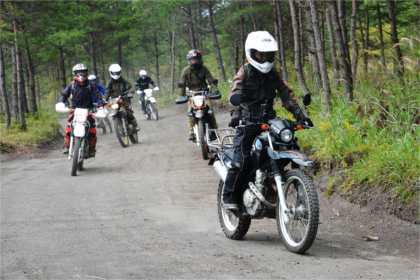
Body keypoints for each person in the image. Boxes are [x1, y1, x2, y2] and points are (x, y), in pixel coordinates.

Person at [222, 31, 314, 211]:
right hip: (247, 121)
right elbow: (235, 94)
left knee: (287, 146)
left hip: (269, 119)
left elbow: (287, 95)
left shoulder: (273, 73)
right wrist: (236, 117)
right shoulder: (244, 72)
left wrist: (300, 116)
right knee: (241, 160)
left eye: (267, 54)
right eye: (260, 54)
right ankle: (230, 197)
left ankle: (274, 182)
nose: (264, 58)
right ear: (252, 53)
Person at [59, 63, 104, 157]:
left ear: (86, 73)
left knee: (92, 129)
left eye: (82, 73)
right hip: (75, 110)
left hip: (88, 111)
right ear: (75, 74)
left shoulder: (90, 85)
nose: (81, 75)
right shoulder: (71, 85)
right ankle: (67, 146)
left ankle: (92, 149)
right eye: (79, 73)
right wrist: (61, 102)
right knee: (68, 127)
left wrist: (100, 106)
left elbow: (98, 95)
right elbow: (64, 94)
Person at [178, 49, 219, 141]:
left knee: (210, 110)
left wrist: (215, 90)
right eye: (193, 59)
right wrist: (181, 95)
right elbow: (182, 84)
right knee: (190, 113)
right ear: (189, 60)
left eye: (196, 59)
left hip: (204, 94)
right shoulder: (186, 70)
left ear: (199, 59)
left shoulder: (204, 69)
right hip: (192, 95)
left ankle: (214, 131)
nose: (195, 61)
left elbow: (211, 81)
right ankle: (192, 133)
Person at [103, 64, 139, 131]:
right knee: (113, 113)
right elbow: (107, 92)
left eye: (117, 72)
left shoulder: (124, 80)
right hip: (114, 100)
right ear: (111, 72)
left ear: (120, 72)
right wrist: (104, 100)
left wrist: (130, 92)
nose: (116, 74)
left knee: (128, 111)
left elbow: (130, 87)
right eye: (114, 73)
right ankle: (120, 126)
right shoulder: (109, 82)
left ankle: (135, 125)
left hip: (125, 99)